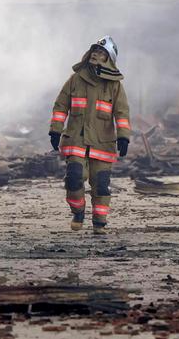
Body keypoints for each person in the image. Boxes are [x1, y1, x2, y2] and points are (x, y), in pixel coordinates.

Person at [49, 36, 131, 234]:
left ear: (108, 59)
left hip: (102, 143)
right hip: (76, 140)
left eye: (101, 52)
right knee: (74, 178)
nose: (96, 54)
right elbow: (61, 106)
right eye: (95, 50)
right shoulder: (75, 80)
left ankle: (99, 222)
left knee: (101, 185)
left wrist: (123, 136)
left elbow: (122, 113)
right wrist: (55, 130)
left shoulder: (115, 86)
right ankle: (78, 212)